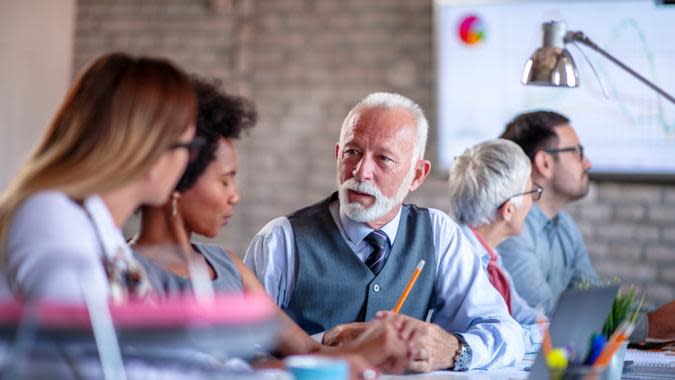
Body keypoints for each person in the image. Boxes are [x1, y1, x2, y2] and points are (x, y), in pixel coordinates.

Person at [131, 79, 410, 378]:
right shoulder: (127, 272)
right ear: (175, 177)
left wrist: (374, 345)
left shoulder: (227, 266)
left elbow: (309, 352)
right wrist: (358, 356)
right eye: (224, 181)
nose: (234, 195)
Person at [245, 92, 524, 372]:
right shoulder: (280, 241)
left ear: (417, 175)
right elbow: (237, 352)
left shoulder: (439, 234)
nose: (361, 171)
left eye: (384, 159)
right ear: (337, 154)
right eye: (352, 152)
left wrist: (454, 350)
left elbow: (508, 334)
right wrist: (324, 342)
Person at [0, 52, 198, 303]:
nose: (188, 160)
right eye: (189, 145)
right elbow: (81, 336)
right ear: (154, 150)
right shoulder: (52, 216)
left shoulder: (101, 231)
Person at [498, 110, 675, 341]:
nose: (588, 163)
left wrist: (653, 319)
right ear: (545, 162)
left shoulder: (565, 227)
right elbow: (546, 318)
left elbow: (594, 303)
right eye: (577, 152)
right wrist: (651, 326)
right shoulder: (511, 229)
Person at [447, 139, 545, 353]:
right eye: (532, 192)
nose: (533, 202)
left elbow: (523, 315)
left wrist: (549, 327)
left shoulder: (490, 256)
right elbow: (494, 337)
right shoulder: (457, 257)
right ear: (508, 210)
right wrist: (546, 333)